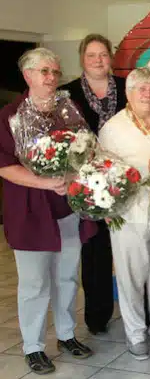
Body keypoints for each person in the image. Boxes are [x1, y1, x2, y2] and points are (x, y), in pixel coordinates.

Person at [0, 48, 95, 374]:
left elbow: (86, 152)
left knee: (67, 278)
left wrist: (73, 177)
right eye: (44, 71)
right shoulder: (10, 115)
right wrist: (46, 183)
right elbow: (5, 166)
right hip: (30, 213)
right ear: (27, 75)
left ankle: (67, 335)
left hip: (68, 210)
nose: (52, 77)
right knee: (35, 283)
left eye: (55, 71)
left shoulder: (69, 110)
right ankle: (34, 346)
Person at [98, 67, 150, 360]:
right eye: (142, 90)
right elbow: (100, 171)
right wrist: (106, 207)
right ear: (129, 94)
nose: (149, 95)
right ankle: (135, 332)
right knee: (130, 276)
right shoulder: (113, 127)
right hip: (129, 213)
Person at [61, 34, 127, 335]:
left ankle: (135, 314)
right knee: (95, 253)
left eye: (103, 54)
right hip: (88, 187)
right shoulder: (68, 93)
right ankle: (97, 316)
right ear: (82, 59)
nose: (98, 60)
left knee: (128, 251)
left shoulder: (128, 88)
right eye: (91, 55)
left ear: (110, 57)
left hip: (126, 182)